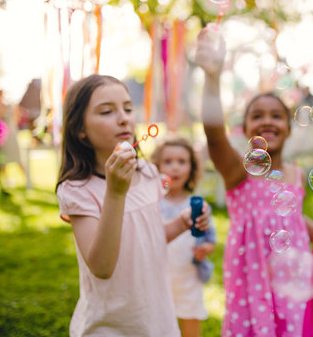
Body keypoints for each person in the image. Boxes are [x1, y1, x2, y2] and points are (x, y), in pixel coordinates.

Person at [55, 74, 210, 336]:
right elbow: (101, 267)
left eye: (128, 108)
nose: (124, 117)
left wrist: (181, 223)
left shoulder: (147, 172)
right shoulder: (78, 190)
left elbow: (149, 236)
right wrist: (115, 193)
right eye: (106, 111)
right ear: (79, 129)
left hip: (155, 315)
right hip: (112, 324)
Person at [195, 27, 313, 336]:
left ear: (289, 128)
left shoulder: (296, 174)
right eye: (257, 116)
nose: (267, 121)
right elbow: (213, 134)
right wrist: (212, 78)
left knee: (292, 325)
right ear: (245, 128)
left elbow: (289, 215)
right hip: (251, 278)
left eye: (277, 116)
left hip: (292, 273)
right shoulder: (239, 172)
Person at [151, 137, 217, 337]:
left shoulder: (198, 204)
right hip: (156, 278)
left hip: (188, 277)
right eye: (168, 161)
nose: (175, 168)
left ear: (192, 167)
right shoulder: (152, 202)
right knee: (156, 326)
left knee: (190, 323)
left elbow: (210, 240)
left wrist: (206, 249)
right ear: (157, 167)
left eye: (182, 162)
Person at [0, 89, 26, 186]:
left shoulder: (10, 104)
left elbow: (17, 115)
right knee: (3, 160)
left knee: (17, 157)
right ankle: (6, 180)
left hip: (11, 133)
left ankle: (27, 179)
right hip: (1, 135)